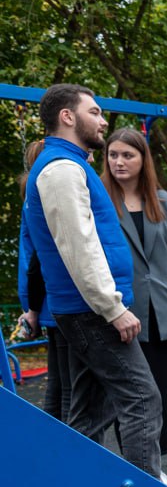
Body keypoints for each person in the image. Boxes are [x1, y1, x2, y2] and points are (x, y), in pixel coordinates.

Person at [24, 84, 164, 481]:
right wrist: (112, 307)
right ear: (67, 117)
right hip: (91, 311)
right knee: (141, 398)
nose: (103, 121)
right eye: (95, 112)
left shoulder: (69, 164)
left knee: (90, 410)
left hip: (85, 309)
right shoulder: (61, 170)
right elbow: (78, 247)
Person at [102, 128, 167, 456]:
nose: (119, 161)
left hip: (165, 307)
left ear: (143, 159)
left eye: (127, 155)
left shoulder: (162, 201)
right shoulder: (100, 200)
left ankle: (161, 461)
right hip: (125, 310)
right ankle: (141, 458)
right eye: (113, 155)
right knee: (133, 391)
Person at [18, 139, 72, 422]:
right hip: (58, 297)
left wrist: (30, 304)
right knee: (70, 384)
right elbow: (39, 257)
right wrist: (33, 306)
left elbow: (29, 257)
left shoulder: (30, 200)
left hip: (46, 298)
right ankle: (68, 439)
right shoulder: (47, 199)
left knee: (59, 381)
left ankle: (53, 435)